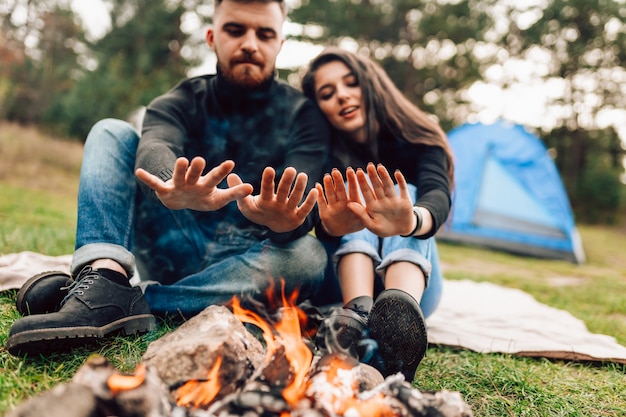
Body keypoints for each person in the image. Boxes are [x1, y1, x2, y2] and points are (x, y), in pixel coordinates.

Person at [7, 0, 331, 356]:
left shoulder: (305, 117)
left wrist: (285, 221)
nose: (250, 44)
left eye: (264, 34)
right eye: (235, 30)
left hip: (246, 262)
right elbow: (155, 144)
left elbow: (306, 192)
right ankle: (105, 273)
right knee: (112, 131)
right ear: (212, 37)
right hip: (170, 239)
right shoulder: (180, 99)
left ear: (279, 44)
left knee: (309, 256)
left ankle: (129, 298)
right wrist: (170, 184)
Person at [301, 47, 454, 381]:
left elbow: (438, 197)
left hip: (417, 289)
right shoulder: (320, 153)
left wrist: (410, 220)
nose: (341, 96)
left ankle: (398, 319)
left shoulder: (420, 136)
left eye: (350, 83)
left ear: (370, 85)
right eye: (327, 93)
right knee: (356, 192)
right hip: (342, 285)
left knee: (406, 193)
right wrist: (332, 225)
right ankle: (357, 316)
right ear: (319, 108)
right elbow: (315, 221)